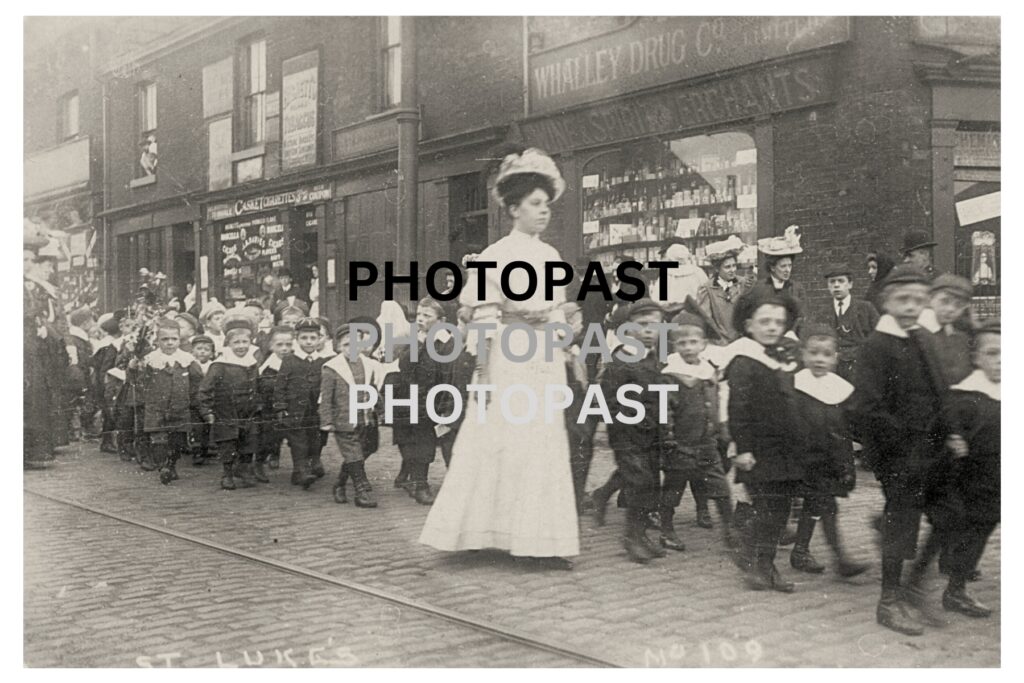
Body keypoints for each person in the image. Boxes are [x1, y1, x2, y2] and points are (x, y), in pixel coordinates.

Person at [418, 147, 579, 569]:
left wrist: (566, 344)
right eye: (535, 204)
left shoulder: (549, 257)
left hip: (543, 358)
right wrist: (484, 371)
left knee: (542, 443)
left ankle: (538, 538)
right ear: (513, 208)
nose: (543, 212)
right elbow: (485, 319)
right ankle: (483, 531)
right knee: (502, 443)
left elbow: (558, 311)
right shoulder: (496, 257)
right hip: (509, 358)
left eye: (546, 205)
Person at [848, 264, 948, 636]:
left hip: (932, 448)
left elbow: (941, 390)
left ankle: (915, 584)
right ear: (887, 301)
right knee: (902, 521)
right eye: (903, 299)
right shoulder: (877, 345)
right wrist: (900, 444)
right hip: (898, 453)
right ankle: (889, 601)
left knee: (951, 514)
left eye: (918, 300)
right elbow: (865, 409)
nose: (910, 306)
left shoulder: (923, 336)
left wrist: (948, 432)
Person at [913, 319, 999, 618]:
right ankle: (916, 581)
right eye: (992, 354)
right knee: (947, 528)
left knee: (980, 532)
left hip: (995, 483)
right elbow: (939, 434)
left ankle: (956, 590)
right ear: (976, 358)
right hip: (962, 481)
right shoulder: (967, 397)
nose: (1001, 362)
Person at [725, 288, 803, 592]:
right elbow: (738, 408)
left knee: (780, 509)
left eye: (778, 322)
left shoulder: (783, 356)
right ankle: (758, 564)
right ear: (749, 325)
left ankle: (763, 563)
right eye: (765, 321)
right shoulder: (744, 360)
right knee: (768, 508)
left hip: (785, 448)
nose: (772, 327)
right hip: (758, 449)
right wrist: (742, 448)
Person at [787, 324, 870, 577]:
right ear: (803, 355)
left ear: (835, 358)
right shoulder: (796, 387)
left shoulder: (841, 389)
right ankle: (840, 558)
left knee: (817, 506)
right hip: (807, 459)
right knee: (825, 506)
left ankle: (800, 551)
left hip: (832, 460)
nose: (819, 359)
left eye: (826, 354)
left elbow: (851, 426)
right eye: (813, 353)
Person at [600, 298, 674, 564]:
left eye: (655, 325)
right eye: (642, 325)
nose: (648, 331)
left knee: (651, 486)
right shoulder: (621, 359)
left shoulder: (654, 358)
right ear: (627, 328)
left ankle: (641, 535)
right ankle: (631, 537)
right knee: (639, 483)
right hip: (628, 435)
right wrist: (624, 423)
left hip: (650, 434)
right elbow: (609, 398)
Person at [660, 312, 736, 553]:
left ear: (703, 344)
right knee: (673, 488)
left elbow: (717, 401)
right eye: (682, 343)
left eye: (694, 342)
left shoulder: (708, 371)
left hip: (706, 442)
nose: (689, 347)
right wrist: (668, 436)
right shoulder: (671, 374)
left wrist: (721, 428)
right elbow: (665, 409)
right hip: (680, 443)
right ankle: (666, 529)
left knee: (720, 486)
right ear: (675, 346)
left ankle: (730, 529)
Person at [320, 323, 386, 507]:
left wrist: (380, 411)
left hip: (366, 417)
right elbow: (325, 398)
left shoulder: (370, 365)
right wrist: (326, 420)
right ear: (339, 347)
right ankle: (361, 491)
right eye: (346, 345)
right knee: (354, 453)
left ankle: (340, 483)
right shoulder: (332, 368)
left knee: (368, 448)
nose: (352, 349)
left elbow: (374, 389)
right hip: (344, 419)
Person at [197, 313, 262, 490]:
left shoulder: (252, 363)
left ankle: (245, 469)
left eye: (244, 342)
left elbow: (258, 385)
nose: (241, 346)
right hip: (226, 411)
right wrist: (207, 411)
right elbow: (205, 389)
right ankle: (227, 473)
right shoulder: (220, 364)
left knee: (249, 442)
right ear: (228, 343)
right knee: (228, 443)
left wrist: (258, 404)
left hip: (248, 411)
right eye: (236, 343)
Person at [137, 319, 197, 485]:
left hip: (180, 408)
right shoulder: (151, 360)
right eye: (165, 339)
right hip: (157, 408)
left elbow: (197, 380)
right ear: (157, 341)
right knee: (159, 439)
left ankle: (171, 464)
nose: (170, 343)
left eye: (174, 339)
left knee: (177, 440)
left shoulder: (187, 360)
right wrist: (134, 367)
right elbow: (138, 381)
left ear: (179, 340)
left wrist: (191, 399)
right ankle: (163, 466)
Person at [274, 318, 329, 490]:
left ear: (320, 338)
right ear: (297, 339)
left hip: (315, 409)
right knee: (298, 441)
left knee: (316, 439)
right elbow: (280, 384)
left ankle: (306, 467)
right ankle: (301, 470)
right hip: (295, 408)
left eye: (313, 338)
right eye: (304, 338)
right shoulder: (290, 360)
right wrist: (280, 407)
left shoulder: (323, 360)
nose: (309, 342)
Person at [823, 262, 879, 382]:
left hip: (861, 369)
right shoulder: (823, 313)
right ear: (828, 286)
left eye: (841, 281)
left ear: (850, 284)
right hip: (834, 372)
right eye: (832, 282)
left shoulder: (866, 309)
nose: (836, 285)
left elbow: (878, 340)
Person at [257, 326, 295, 481]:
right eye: (280, 345)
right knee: (269, 437)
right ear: (271, 346)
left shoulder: (295, 363)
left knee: (296, 438)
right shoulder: (268, 367)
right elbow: (262, 387)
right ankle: (258, 464)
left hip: (292, 407)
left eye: (288, 344)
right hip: (270, 408)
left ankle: (302, 466)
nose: (284, 349)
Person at [751, 225, 805, 333]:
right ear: (772, 267)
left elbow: (802, 317)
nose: (787, 270)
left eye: (789, 265)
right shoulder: (760, 287)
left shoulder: (796, 288)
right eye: (783, 266)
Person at [696, 235, 748, 345]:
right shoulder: (707, 289)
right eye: (727, 267)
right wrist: (718, 341)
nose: (732, 270)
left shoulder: (743, 284)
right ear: (716, 269)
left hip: (742, 341)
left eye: (734, 266)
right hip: (720, 344)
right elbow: (707, 321)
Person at [927, 274, 974, 386]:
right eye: (944, 301)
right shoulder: (917, 334)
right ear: (930, 299)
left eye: (959, 305)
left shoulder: (962, 339)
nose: (950, 309)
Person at [92, 313, 125, 454]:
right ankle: (107, 441)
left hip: (106, 381)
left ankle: (108, 441)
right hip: (107, 382)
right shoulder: (109, 346)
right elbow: (104, 368)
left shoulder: (107, 343)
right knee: (110, 411)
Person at [654, 242, 709, 316]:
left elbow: (657, 300)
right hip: (695, 314)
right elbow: (707, 295)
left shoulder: (667, 274)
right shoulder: (698, 272)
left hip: (672, 315)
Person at [187, 335, 216, 466]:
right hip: (193, 401)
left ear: (212, 353)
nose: (203, 352)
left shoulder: (214, 366)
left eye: (206, 349)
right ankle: (197, 451)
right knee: (197, 427)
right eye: (199, 349)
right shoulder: (190, 365)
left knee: (208, 426)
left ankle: (206, 448)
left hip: (208, 400)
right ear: (192, 351)